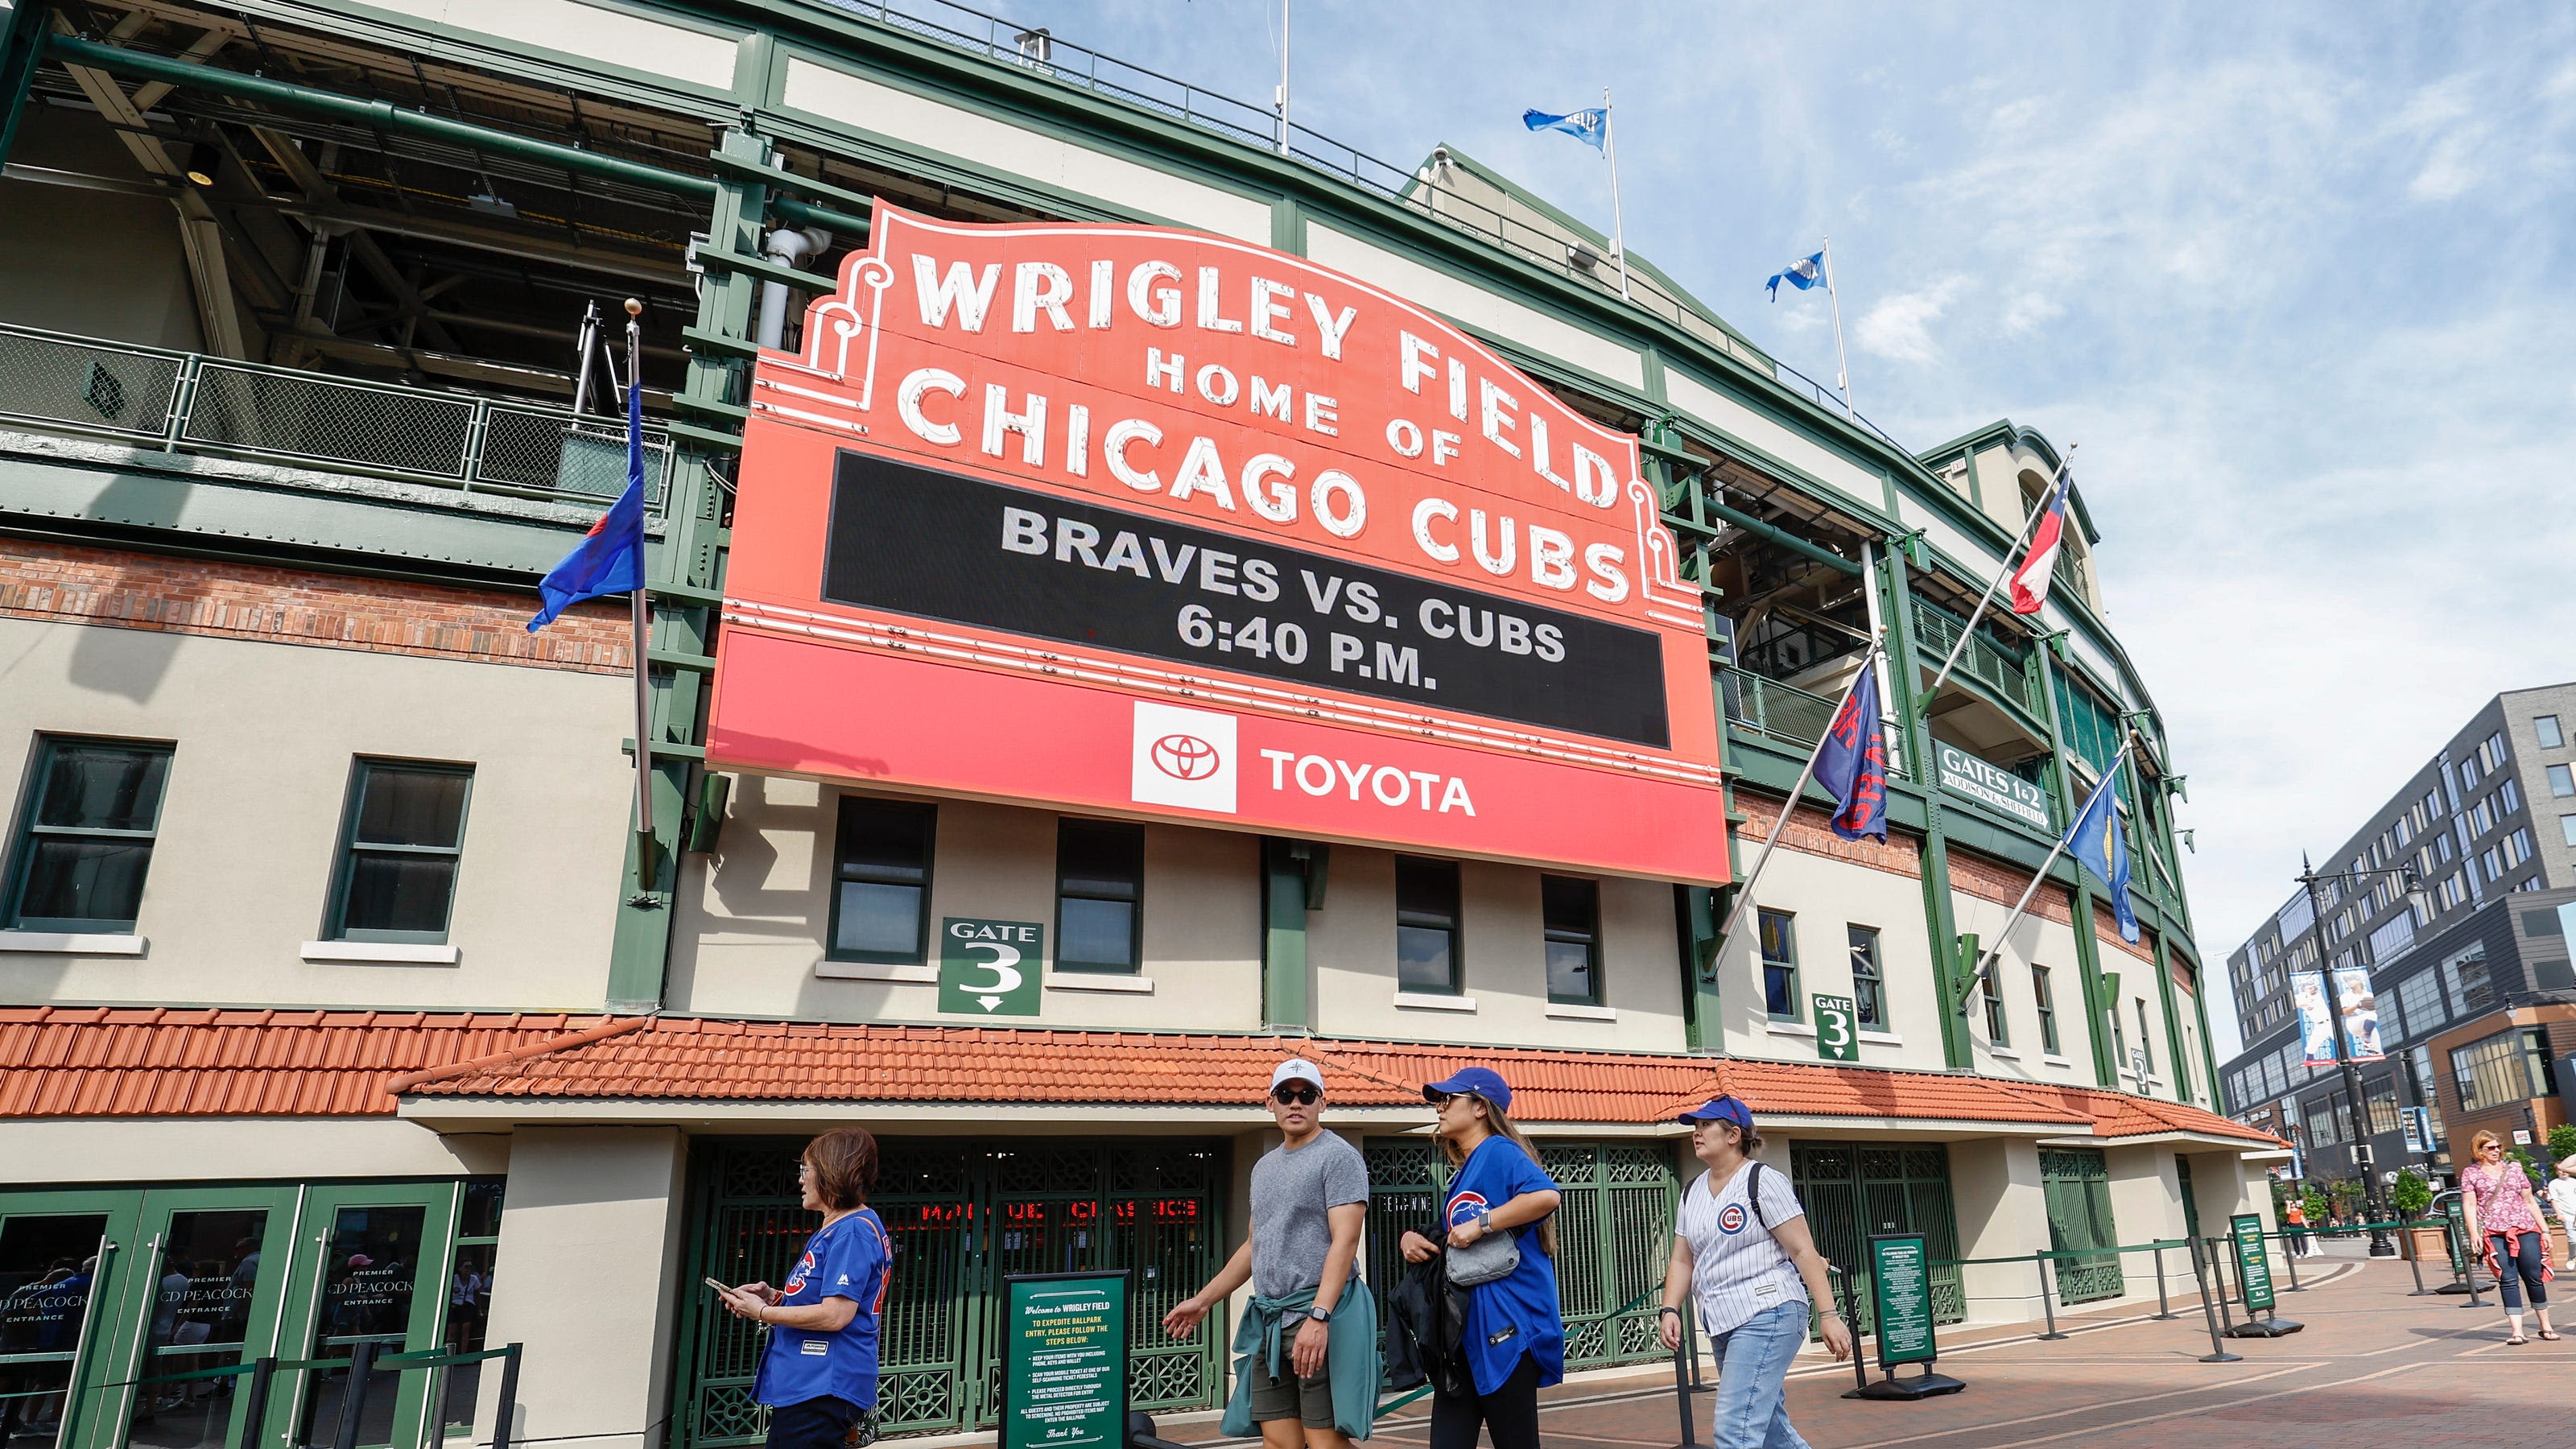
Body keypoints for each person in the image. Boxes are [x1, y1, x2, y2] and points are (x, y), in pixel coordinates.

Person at [1166, 1059, 1377, 1447]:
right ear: (1271, 1102)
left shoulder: (1339, 1157)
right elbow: (1254, 1244)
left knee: (1324, 1441)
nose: (1295, 1103)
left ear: (1322, 1103)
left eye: (1306, 1094)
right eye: (1286, 1094)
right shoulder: (1263, 1167)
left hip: (1318, 1316)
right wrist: (1203, 1301)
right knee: (1279, 1440)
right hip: (1270, 1319)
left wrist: (1319, 1317)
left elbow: (1345, 1242)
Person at [1657, 1097, 1852, 1449]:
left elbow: (1803, 1250)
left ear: (1733, 1135)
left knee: (1735, 1429)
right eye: (1695, 1126)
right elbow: (1683, 1260)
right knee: (1771, 1432)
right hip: (1721, 1319)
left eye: (1705, 1125)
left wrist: (1829, 1315)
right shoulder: (1691, 1191)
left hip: (1770, 1311)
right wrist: (1669, 1308)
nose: (1696, 1133)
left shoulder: (1762, 1181)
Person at [1398, 1067, 1563, 1449]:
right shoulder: (1467, 1170)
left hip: (1506, 1331)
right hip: (1465, 1336)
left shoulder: (1498, 1152)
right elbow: (1448, 1239)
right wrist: (1412, 1239)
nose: (1439, 1107)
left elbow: (1546, 1197)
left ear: (1479, 1108)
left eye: (1448, 1098)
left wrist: (1481, 1224)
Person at [716, 1129, 894, 1449]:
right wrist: (774, 1297)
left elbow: (836, 1314)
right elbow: (828, 1297)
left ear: (830, 1171)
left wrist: (763, 1312)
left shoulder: (852, 1231)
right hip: (813, 1382)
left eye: (805, 1170)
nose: (800, 1179)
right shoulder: (841, 1225)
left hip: (823, 1383)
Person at [2458, 1129, 2555, 1344]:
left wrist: (2545, 1229)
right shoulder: (2470, 1173)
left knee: (2533, 1275)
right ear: (2479, 1150)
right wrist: (2474, 1232)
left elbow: (2530, 1201)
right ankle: (2517, 1331)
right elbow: (2469, 1204)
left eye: (2498, 1147)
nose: (2496, 1151)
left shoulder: (2514, 1169)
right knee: (2507, 1278)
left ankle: (2545, 1325)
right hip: (2494, 1230)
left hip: (2525, 1227)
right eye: (2490, 1148)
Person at [2548, 1155, 2576, 1273]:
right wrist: (2559, 1214)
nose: (2563, 1172)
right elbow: (2553, 1199)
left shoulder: (2574, 1182)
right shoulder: (2554, 1184)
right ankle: (2572, 1256)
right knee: (2573, 1239)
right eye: (2560, 1170)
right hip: (2567, 1214)